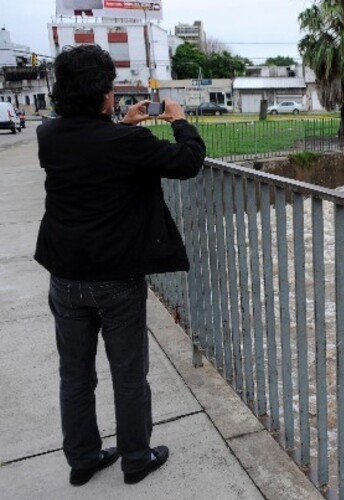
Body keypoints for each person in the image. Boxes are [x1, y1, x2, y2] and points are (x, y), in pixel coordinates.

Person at [35, 44, 206, 486]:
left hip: (65, 276)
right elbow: (188, 162)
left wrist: (121, 125)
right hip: (116, 279)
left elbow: (90, 144)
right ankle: (135, 457)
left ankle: (83, 460)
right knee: (129, 375)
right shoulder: (127, 144)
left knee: (74, 375)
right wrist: (178, 119)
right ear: (104, 96)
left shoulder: (48, 136)